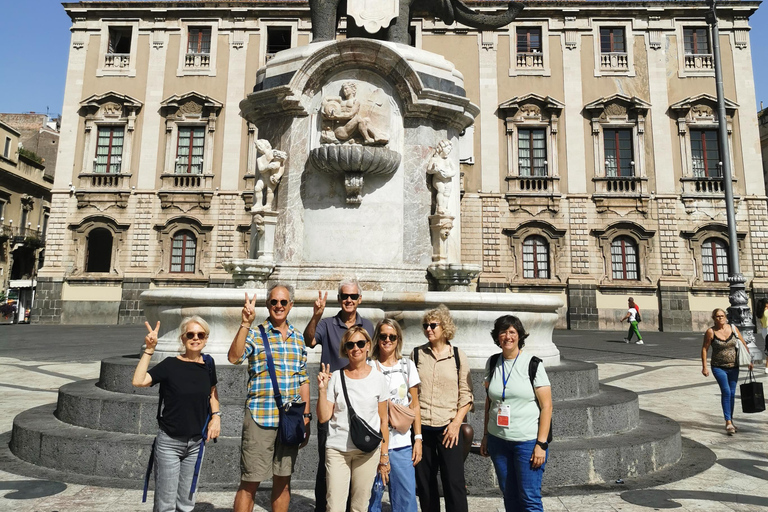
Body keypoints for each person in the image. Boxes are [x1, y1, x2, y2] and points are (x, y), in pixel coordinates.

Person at [228, 286, 311, 512]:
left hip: (290, 419)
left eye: (283, 302)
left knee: (283, 481)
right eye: (274, 302)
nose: (279, 306)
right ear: (268, 305)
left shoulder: (298, 338)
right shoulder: (255, 333)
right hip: (260, 416)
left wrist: (307, 416)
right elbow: (234, 357)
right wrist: (245, 323)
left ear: (291, 305)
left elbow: (303, 378)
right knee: (250, 482)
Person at [132, 316, 221, 512]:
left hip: (197, 443)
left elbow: (212, 392)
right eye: (190, 334)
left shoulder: (208, 364)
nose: (195, 338)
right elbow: (138, 381)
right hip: (169, 443)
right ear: (183, 338)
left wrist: (216, 416)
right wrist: (149, 350)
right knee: (166, 505)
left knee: (187, 504)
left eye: (200, 335)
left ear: (206, 338)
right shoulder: (170, 365)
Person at [304, 278, 375, 512]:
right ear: (339, 299)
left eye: (353, 296)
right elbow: (309, 340)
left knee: (360, 465)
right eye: (345, 296)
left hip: (360, 408)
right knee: (327, 462)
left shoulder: (368, 326)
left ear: (360, 299)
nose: (349, 300)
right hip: (332, 403)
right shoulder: (326, 324)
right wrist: (316, 315)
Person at [480, 315, 552, 512]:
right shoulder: (493, 362)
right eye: (503, 332)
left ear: (519, 336)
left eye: (512, 332)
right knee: (509, 495)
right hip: (498, 440)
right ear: (497, 337)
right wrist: (485, 436)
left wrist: (541, 444)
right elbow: (489, 400)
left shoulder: (533, 364)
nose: (507, 336)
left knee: (530, 499)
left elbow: (547, 406)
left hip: (527, 442)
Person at [317, 326, 390, 512]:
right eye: (350, 344)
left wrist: (384, 455)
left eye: (360, 343)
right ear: (345, 349)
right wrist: (322, 389)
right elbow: (324, 417)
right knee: (334, 507)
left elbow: (383, 420)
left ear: (368, 346)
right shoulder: (336, 377)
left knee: (359, 507)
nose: (355, 348)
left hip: (367, 451)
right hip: (338, 449)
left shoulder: (379, 379)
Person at [411, 305, 473, 512]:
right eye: (425, 326)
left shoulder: (457, 355)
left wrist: (456, 423)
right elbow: (412, 394)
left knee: (453, 483)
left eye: (433, 325)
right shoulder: (417, 354)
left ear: (444, 327)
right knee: (426, 485)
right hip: (422, 428)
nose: (428, 329)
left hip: (449, 428)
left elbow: (466, 394)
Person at [369, 318, 421, 512]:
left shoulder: (407, 366)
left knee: (405, 501)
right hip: (374, 444)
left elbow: (415, 405)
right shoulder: (369, 366)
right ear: (377, 338)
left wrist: (418, 439)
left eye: (392, 336)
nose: (387, 340)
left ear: (398, 339)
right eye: (383, 336)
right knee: (371, 500)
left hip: (401, 444)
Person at [701, 308, 753, 435]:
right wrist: (704, 367)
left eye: (722, 316)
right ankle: (728, 421)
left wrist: (749, 361)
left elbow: (743, 343)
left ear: (726, 317)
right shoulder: (710, 332)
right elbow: (704, 349)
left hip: (734, 367)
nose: (721, 318)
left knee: (732, 392)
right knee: (726, 391)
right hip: (718, 367)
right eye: (718, 316)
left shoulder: (733, 328)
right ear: (714, 318)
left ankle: (731, 419)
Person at [756, 298, 768, 374]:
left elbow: (762, 324)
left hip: (764, 330)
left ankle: (767, 367)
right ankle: (767, 367)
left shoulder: (761, 313)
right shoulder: (767, 312)